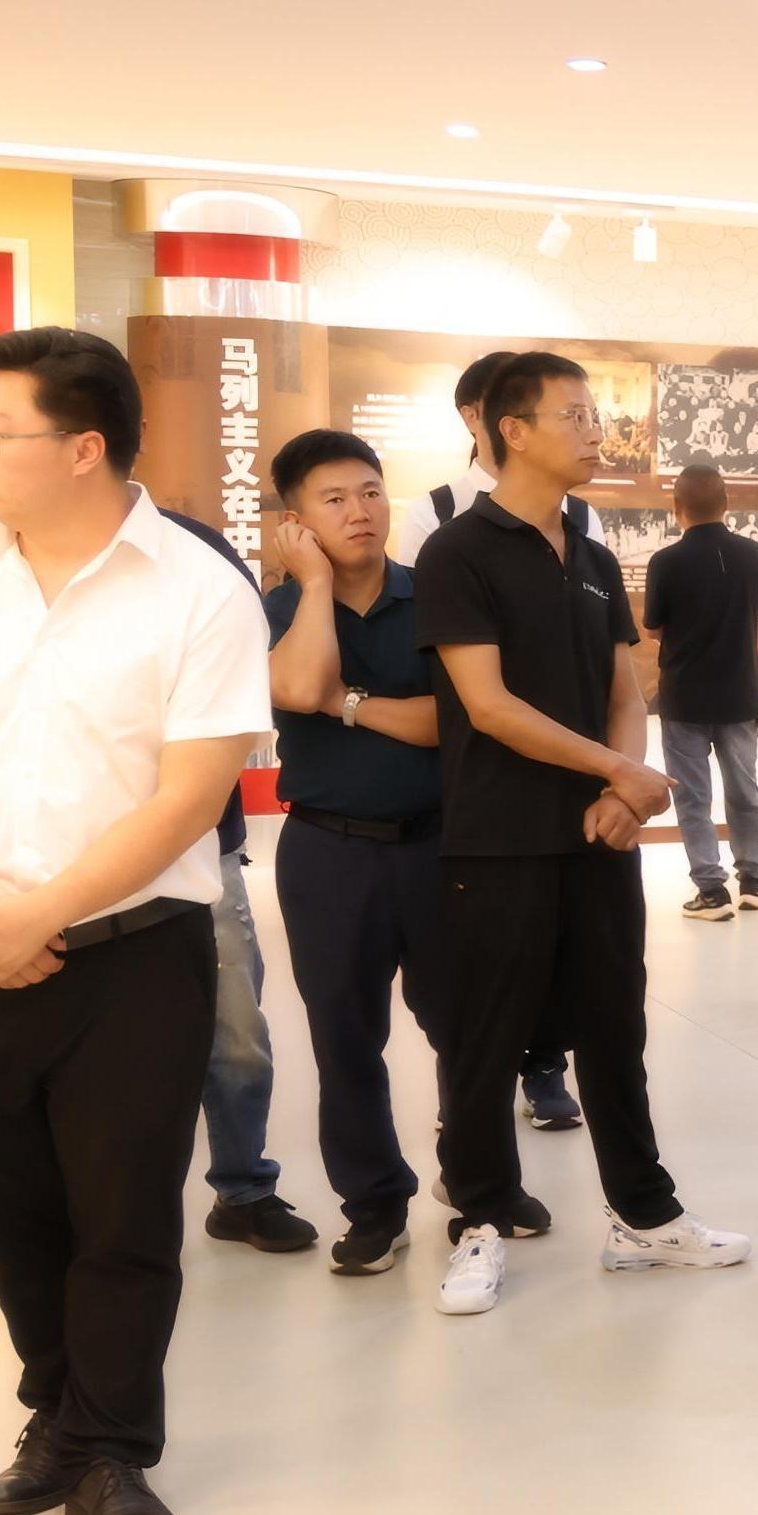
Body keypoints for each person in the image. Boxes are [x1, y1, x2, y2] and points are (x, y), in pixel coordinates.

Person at [0, 326, 271, 1515]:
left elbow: (191, 795)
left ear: (85, 447)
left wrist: (39, 915)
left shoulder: (200, 590)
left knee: (123, 1211)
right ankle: (59, 1401)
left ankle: (108, 1450)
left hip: (137, 956)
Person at [417, 353, 749, 1316]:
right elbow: (486, 705)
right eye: (575, 414)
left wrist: (624, 793)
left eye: (595, 414)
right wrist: (619, 771)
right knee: (486, 1042)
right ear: (512, 431)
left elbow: (625, 693)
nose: (596, 430)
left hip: (598, 838)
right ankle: (479, 1220)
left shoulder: (595, 556)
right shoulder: (457, 551)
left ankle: (643, 1215)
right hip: (498, 839)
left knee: (615, 1029)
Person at [261, 428, 452, 1277]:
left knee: (465, 1029)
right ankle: (375, 1206)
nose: (359, 511)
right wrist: (312, 585)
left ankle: (477, 1182)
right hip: (326, 852)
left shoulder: (433, 596)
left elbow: (450, 721)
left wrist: (346, 701)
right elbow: (299, 685)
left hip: (439, 845)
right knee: (345, 1040)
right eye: (333, 499)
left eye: (370, 491)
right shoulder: (280, 609)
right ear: (296, 521)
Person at [391, 348, 586, 1131]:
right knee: (486, 967)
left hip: (568, 782)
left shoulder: (580, 522)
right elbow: (448, 663)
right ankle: (472, 1140)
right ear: (486, 421)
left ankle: (546, 1069)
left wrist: (614, 773)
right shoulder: (439, 518)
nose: (590, 430)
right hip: (479, 777)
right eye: (572, 415)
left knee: (567, 963)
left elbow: (600, 663)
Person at [156, 503, 297, 1256]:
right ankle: (120, 1208)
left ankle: (243, 1191)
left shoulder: (195, 548)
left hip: (203, 843)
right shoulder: (11, 561)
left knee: (236, 1032)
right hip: (74, 851)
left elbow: (251, 672)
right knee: (112, 1045)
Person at [643, 461, 758, 921]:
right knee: (745, 790)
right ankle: (755, 880)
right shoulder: (752, 554)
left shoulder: (665, 562)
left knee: (693, 797)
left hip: (684, 697)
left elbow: (654, 629)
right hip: (740, 693)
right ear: (727, 503)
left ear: (676, 507)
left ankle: (711, 890)